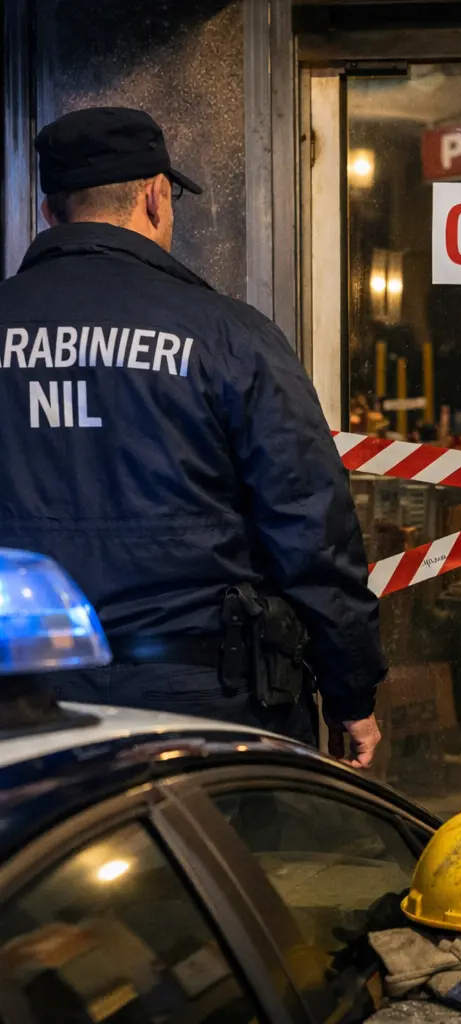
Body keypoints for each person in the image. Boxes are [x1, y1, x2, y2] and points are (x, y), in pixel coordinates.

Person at [0, 107, 385, 767]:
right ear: (155, 195)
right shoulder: (229, 335)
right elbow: (311, 529)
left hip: (23, 701)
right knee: (209, 867)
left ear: (47, 211)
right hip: (206, 704)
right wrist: (350, 686)